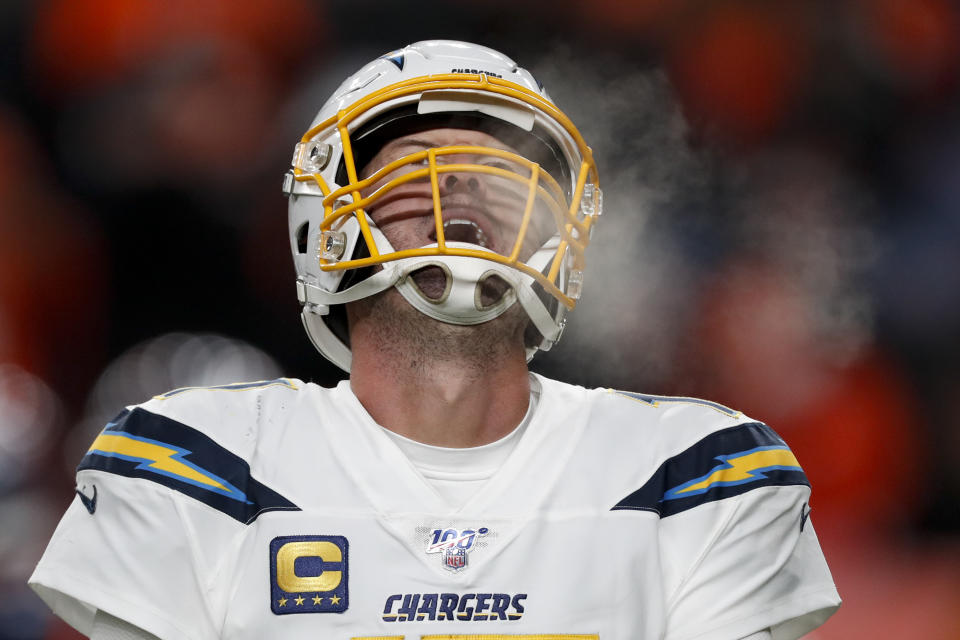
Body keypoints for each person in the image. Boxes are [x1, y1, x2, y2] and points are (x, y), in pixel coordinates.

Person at [29, 40, 840, 640]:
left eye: (497, 171)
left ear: (560, 238)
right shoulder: (196, 464)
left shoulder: (699, 471)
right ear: (328, 226)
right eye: (415, 165)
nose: (456, 193)